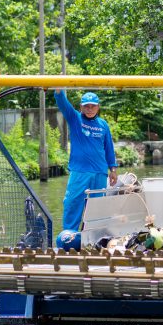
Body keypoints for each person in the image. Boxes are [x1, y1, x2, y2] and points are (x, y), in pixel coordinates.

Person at [55, 89, 118, 231]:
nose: (90, 109)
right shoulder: (75, 118)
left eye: (93, 106)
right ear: (81, 107)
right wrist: (58, 90)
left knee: (97, 210)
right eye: (86, 106)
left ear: (98, 107)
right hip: (79, 172)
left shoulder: (103, 125)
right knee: (72, 204)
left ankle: (94, 239)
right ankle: (68, 237)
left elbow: (109, 148)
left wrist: (113, 169)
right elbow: (63, 104)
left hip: (100, 173)